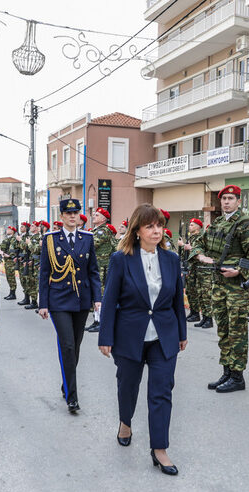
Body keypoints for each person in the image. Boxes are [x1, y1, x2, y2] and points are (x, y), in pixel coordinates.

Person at [98, 204, 188, 476]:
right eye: (150, 226)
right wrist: (106, 336)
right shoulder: (121, 259)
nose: (156, 231)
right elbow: (110, 299)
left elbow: (176, 300)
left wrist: (182, 333)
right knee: (128, 386)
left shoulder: (171, 260)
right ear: (137, 230)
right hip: (129, 334)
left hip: (164, 336)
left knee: (161, 392)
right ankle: (125, 421)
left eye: (159, 225)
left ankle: (159, 449)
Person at [38, 198, 102, 414]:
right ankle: (72, 397)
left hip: (82, 300)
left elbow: (93, 270)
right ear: (62, 216)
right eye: (68, 213)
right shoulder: (50, 240)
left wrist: (97, 298)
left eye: (76, 213)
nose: (73, 216)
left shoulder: (87, 238)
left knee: (76, 345)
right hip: (59, 300)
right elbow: (44, 274)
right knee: (67, 345)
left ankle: (67, 383)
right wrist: (43, 303)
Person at [194, 186, 249, 391]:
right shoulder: (218, 222)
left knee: (236, 331)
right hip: (218, 284)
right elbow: (198, 243)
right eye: (223, 199)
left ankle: (238, 376)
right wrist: (201, 256)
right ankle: (227, 372)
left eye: (230, 198)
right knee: (223, 329)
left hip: (235, 287)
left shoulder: (245, 223)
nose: (226, 202)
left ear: (239, 201)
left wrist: (238, 270)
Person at [87, 207, 116, 333]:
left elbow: (91, 244)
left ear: (103, 219)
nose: (94, 216)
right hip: (97, 267)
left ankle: (101, 322)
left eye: (97, 215)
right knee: (96, 294)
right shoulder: (96, 230)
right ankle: (96, 320)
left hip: (103, 268)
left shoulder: (103, 231)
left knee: (101, 294)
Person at [179, 218, 204, 322]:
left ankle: (198, 314)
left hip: (198, 269)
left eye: (192, 225)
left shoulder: (200, 238)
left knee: (197, 292)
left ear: (198, 227)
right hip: (190, 268)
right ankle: (194, 312)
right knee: (189, 291)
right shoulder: (191, 238)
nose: (190, 226)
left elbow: (197, 251)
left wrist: (184, 245)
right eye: (190, 225)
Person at [0, 225, 19, 299]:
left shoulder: (14, 239)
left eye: (9, 229)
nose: (7, 230)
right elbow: (2, 247)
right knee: (8, 276)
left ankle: (13, 293)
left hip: (11, 260)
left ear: (12, 231)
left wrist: (9, 255)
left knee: (11, 277)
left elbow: (14, 250)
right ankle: (11, 292)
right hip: (6, 260)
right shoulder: (6, 239)